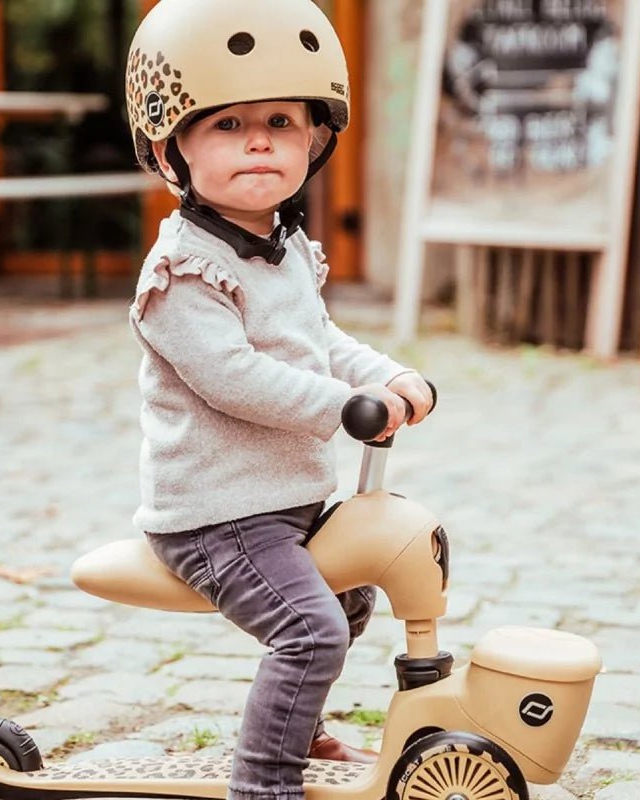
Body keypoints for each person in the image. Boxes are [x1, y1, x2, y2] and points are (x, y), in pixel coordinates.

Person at [124, 2, 433, 799]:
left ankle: (299, 723)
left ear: (314, 140)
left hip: (287, 501)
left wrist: (390, 376)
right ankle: (262, 785)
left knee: (351, 597)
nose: (259, 139)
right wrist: (344, 405)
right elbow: (235, 378)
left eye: (281, 121)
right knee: (310, 629)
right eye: (226, 124)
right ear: (170, 147)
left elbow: (319, 338)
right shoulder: (183, 274)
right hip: (216, 516)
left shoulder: (284, 246)